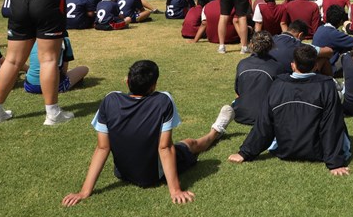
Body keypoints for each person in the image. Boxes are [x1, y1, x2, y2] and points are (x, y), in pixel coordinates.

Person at [62, 61, 235, 206]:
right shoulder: (163, 100)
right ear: (153, 85)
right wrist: (175, 190)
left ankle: (216, 131)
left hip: (122, 173)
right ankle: (216, 131)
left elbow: (102, 148)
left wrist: (84, 191)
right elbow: (165, 147)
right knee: (190, 144)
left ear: (127, 81)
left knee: (179, 144)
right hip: (154, 175)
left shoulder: (110, 99)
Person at [228, 45, 351, 175]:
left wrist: (245, 153)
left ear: (293, 65)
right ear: (315, 66)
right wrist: (335, 162)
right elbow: (332, 124)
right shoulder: (326, 86)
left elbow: (264, 123)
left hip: (285, 149)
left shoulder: (278, 85)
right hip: (315, 151)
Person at [233, 31, 280, 125]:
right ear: (271, 46)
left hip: (240, 115)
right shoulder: (276, 66)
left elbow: (238, 91)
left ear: (251, 44)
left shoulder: (242, 63)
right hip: (266, 117)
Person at [23, 36, 88, 94]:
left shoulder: (33, 39)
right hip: (54, 87)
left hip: (29, 86)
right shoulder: (64, 40)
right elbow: (64, 72)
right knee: (84, 69)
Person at [313, 5, 353, 70]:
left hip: (317, 64)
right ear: (341, 21)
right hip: (329, 67)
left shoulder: (320, 28)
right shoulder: (334, 34)